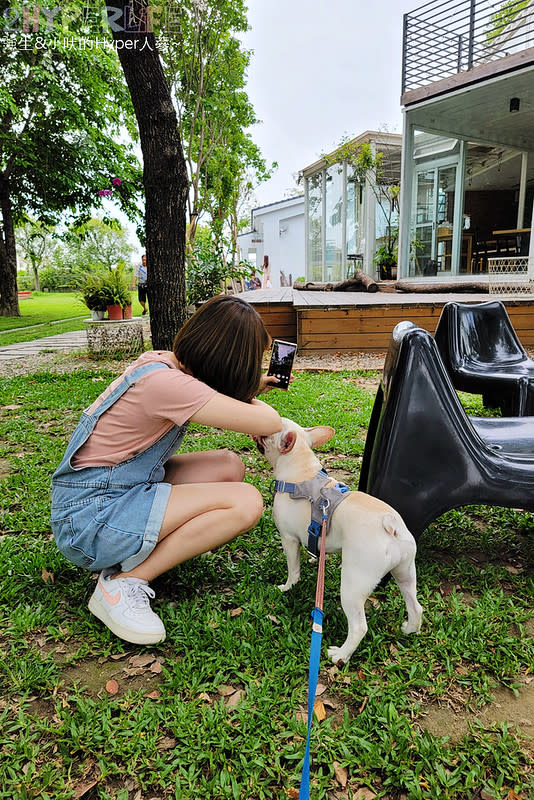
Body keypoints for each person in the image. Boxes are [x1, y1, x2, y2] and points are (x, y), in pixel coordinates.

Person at [51, 296, 282, 645]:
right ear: (229, 361)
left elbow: (219, 398)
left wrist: (251, 386)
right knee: (246, 502)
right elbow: (269, 420)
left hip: (111, 490)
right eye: (251, 362)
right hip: (89, 521)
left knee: (228, 466)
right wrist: (247, 391)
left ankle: (148, 548)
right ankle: (122, 585)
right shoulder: (170, 386)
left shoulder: (163, 364)